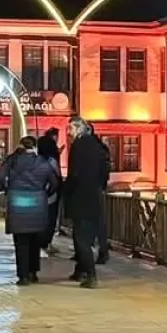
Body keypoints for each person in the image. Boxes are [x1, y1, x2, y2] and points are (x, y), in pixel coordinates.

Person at [0, 134, 59, 285]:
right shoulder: (43, 162)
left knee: (21, 241)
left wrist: (4, 189)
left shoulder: (12, 161)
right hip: (38, 204)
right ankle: (33, 272)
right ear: (34, 147)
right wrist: (44, 194)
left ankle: (23, 276)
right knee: (35, 240)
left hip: (17, 204)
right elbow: (55, 182)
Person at [62, 117, 109, 287]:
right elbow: (105, 170)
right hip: (94, 195)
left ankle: (90, 275)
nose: (68, 133)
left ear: (77, 128)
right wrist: (100, 186)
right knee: (86, 235)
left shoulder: (78, 146)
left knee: (81, 238)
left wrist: (65, 189)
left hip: (80, 196)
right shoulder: (97, 146)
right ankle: (80, 271)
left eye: (70, 129)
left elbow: (75, 173)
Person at [36, 127, 61, 255]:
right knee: (50, 219)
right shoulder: (52, 161)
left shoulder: (36, 161)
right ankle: (46, 243)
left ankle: (40, 242)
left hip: (38, 195)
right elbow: (55, 179)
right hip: (50, 195)